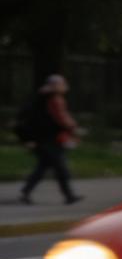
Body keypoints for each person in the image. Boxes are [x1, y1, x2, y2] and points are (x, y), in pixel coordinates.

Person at [18, 74, 81, 205]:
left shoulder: (40, 97)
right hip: (50, 139)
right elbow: (61, 117)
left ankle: (26, 192)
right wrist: (73, 128)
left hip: (41, 137)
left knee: (43, 167)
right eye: (63, 84)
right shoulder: (55, 99)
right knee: (60, 167)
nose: (65, 86)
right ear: (56, 85)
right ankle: (69, 196)